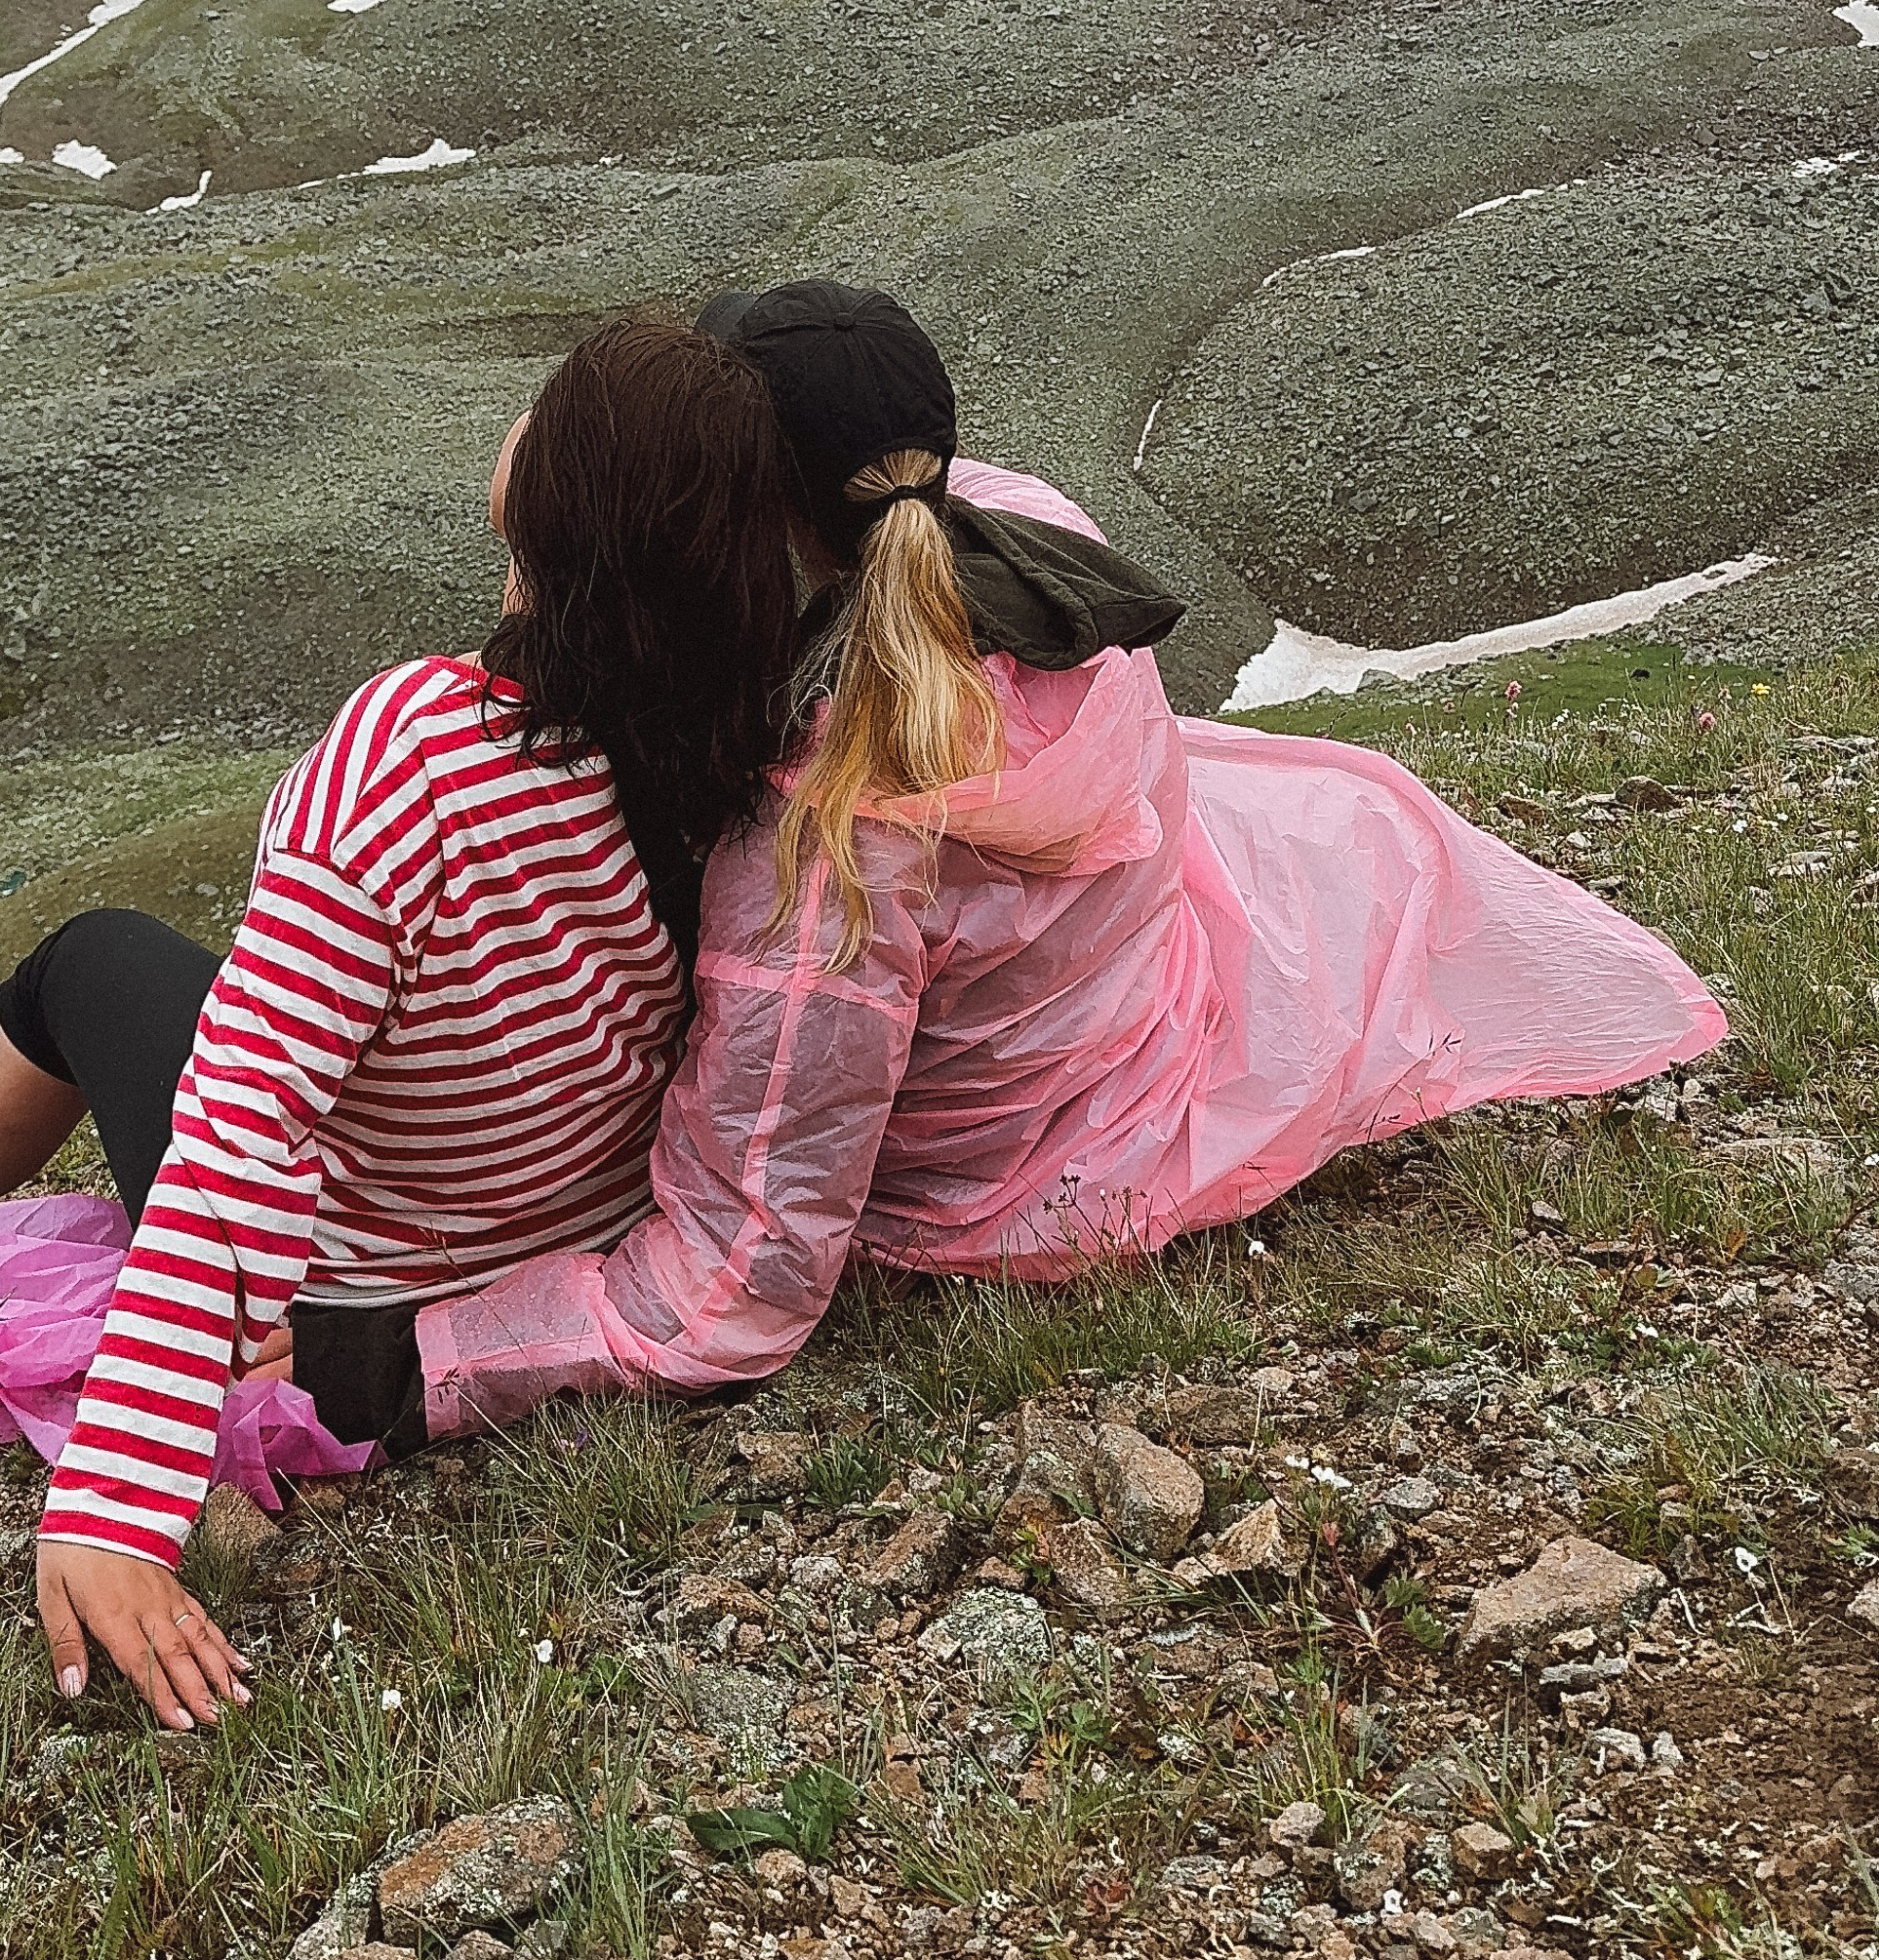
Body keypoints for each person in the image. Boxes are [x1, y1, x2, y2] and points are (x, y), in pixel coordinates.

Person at [415, 280, 1725, 1438]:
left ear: (748, 516)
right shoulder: (1011, 536)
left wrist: (413, 1359)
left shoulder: (825, 864)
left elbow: (727, 1295)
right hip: (1122, 1021)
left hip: (1003, 1181)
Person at [0, 307, 795, 1729]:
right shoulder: (737, 735)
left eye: (552, 409)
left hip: (337, 1313)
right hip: (531, 1237)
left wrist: (116, 1506)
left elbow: (239, 1117)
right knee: (221, 978)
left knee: (98, 960)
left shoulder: (410, 753)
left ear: (556, 500)